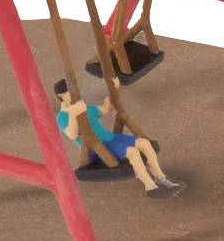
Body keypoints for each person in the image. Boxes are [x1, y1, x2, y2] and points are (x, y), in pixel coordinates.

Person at [53, 79, 184, 198]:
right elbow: (72, 134)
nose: (75, 93)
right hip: (97, 148)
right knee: (131, 151)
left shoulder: (84, 107)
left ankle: (160, 178)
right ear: (62, 95)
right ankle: (150, 187)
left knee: (144, 143)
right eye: (71, 91)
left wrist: (114, 89)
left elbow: (104, 109)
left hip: (110, 138)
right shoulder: (62, 116)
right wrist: (73, 113)